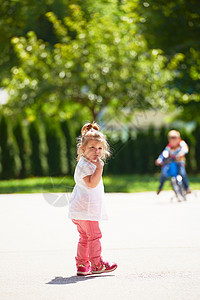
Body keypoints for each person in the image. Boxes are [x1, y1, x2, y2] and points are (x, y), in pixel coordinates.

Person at [68, 122, 118, 276]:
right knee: (94, 236)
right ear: (82, 149)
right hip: (85, 210)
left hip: (81, 210)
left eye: (100, 148)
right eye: (92, 148)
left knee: (85, 237)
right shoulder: (85, 165)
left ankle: (82, 265)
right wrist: (100, 169)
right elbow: (91, 184)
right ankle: (96, 264)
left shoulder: (89, 163)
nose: (97, 151)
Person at [155, 129, 191, 195]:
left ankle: (187, 187)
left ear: (178, 138)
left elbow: (185, 149)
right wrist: (160, 159)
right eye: (171, 138)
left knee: (182, 173)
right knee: (164, 173)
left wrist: (181, 153)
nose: (173, 140)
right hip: (171, 162)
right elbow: (164, 153)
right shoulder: (169, 147)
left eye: (174, 138)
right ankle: (160, 187)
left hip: (180, 162)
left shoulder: (181, 144)